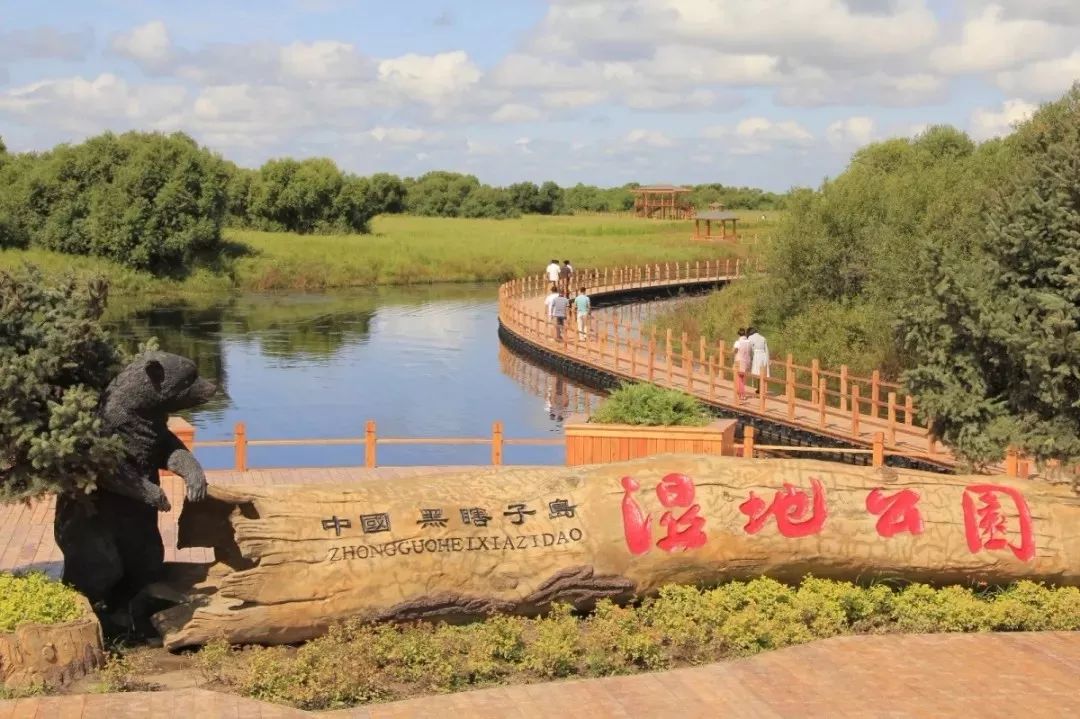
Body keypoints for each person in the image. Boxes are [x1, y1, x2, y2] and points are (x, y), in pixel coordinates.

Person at [747, 326, 770, 394]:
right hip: (764, 356)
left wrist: (749, 358)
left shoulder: (750, 338)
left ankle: (760, 389)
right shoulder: (763, 338)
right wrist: (768, 359)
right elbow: (767, 350)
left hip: (757, 356)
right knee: (762, 373)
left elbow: (749, 349)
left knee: (758, 373)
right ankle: (760, 389)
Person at [732, 328, 751, 402]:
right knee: (743, 378)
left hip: (739, 361)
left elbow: (734, 351)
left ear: (739, 334)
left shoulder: (738, 342)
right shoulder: (749, 341)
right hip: (747, 361)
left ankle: (741, 394)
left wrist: (733, 350)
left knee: (738, 378)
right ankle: (742, 393)